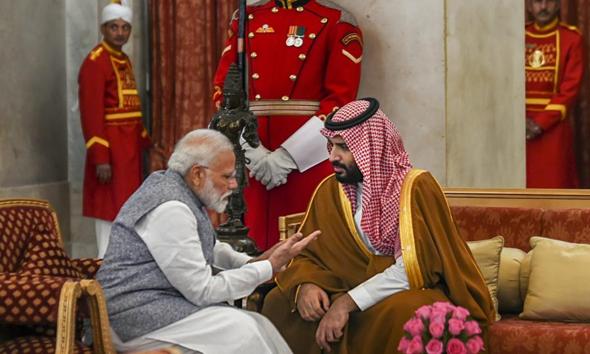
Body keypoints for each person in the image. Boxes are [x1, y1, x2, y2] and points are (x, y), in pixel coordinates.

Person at [262, 98, 495, 353]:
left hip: (404, 290)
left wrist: (348, 303)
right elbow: (308, 253)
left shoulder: (415, 187)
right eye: (331, 147)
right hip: (346, 284)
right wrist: (306, 285)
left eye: (343, 148)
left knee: (406, 313)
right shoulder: (329, 190)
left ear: (372, 148)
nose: (332, 157)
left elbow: (413, 268)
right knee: (279, 302)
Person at [94, 129, 319, 353]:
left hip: (159, 303)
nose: (234, 185)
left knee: (260, 325)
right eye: (227, 176)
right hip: (133, 317)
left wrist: (252, 262)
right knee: (242, 331)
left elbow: (208, 246)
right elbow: (201, 290)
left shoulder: (178, 188)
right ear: (198, 174)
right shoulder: (171, 209)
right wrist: (266, 268)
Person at [213, 0, 363, 250]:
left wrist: (289, 156)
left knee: (306, 245)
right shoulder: (246, 18)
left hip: (307, 157)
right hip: (253, 151)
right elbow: (223, 90)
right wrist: (251, 151)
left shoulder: (337, 21)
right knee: (250, 242)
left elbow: (340, 101)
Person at [78, 0, 151, 257]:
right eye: (113, 27)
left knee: (127, 211)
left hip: (128, 153)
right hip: (109, 153)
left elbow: (132, 107)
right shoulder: (95, 62)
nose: (120, 32)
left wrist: (145, 143)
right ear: (103, 29)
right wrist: (100, 157)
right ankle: (105, 270)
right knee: (108, 213)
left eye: (125, 27)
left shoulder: (124, 59)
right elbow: (91, 113)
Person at [525, 0, 584, 188]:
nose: (543, 7)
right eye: (537, 2)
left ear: (558, 5)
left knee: (553, 190)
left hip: (553, 129)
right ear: (528, 6)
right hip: (516, 129)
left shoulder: (571, 38)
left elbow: (570, 88)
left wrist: (540, 122)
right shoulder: (516, 36)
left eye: (548, 2)